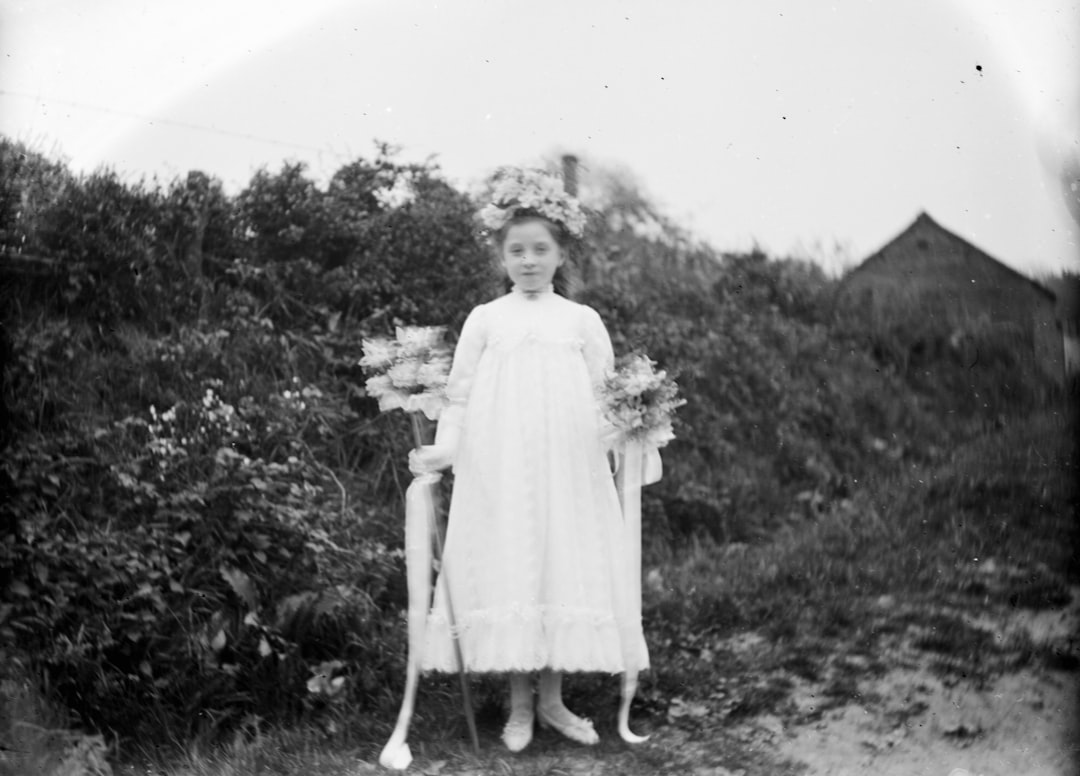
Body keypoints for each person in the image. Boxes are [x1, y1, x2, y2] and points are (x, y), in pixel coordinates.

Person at [409, 168, 649, 752]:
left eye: (541, 249)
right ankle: (519, 706)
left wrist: (632, 435)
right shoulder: (486, 319)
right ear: (501, 257)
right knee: (517, 562)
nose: (529, 260)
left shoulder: (581, 320)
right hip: (505, 466)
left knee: (559, 563)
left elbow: (606, 395)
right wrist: (445, 448)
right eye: (516, 250)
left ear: (561, 252)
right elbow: (461, 396)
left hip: (568, 467)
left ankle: (552, 700)